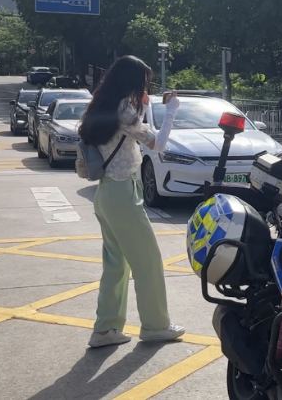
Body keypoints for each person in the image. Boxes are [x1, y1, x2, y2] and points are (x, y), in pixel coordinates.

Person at [77, 56, 186, 349]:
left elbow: (132, 135)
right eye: (143, 82)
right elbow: (158, 144)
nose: (145, 88)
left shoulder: (102, 106)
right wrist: (171, 111)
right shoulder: (124, 110)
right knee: (148, 261)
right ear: (133, 82)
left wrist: (145, 107)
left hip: (106, 194)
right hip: (123, 193)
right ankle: (155, 325)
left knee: (116, 265)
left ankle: (106, 329)